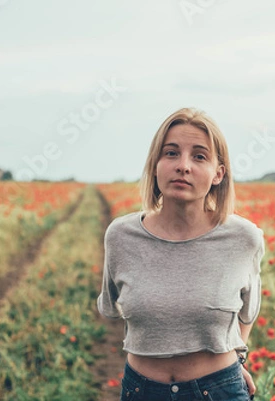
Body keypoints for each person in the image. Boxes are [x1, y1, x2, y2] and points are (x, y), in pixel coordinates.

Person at [97, 107, 265, 401]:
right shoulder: (121, 236)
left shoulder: (243, 238)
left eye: (199, 156)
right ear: (155, 165)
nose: (183, 166)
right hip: (142, 391)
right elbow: (110, 307)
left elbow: (247, 312)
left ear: (218, 174)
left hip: (219, 390)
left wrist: (236, 362)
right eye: (171, 153)